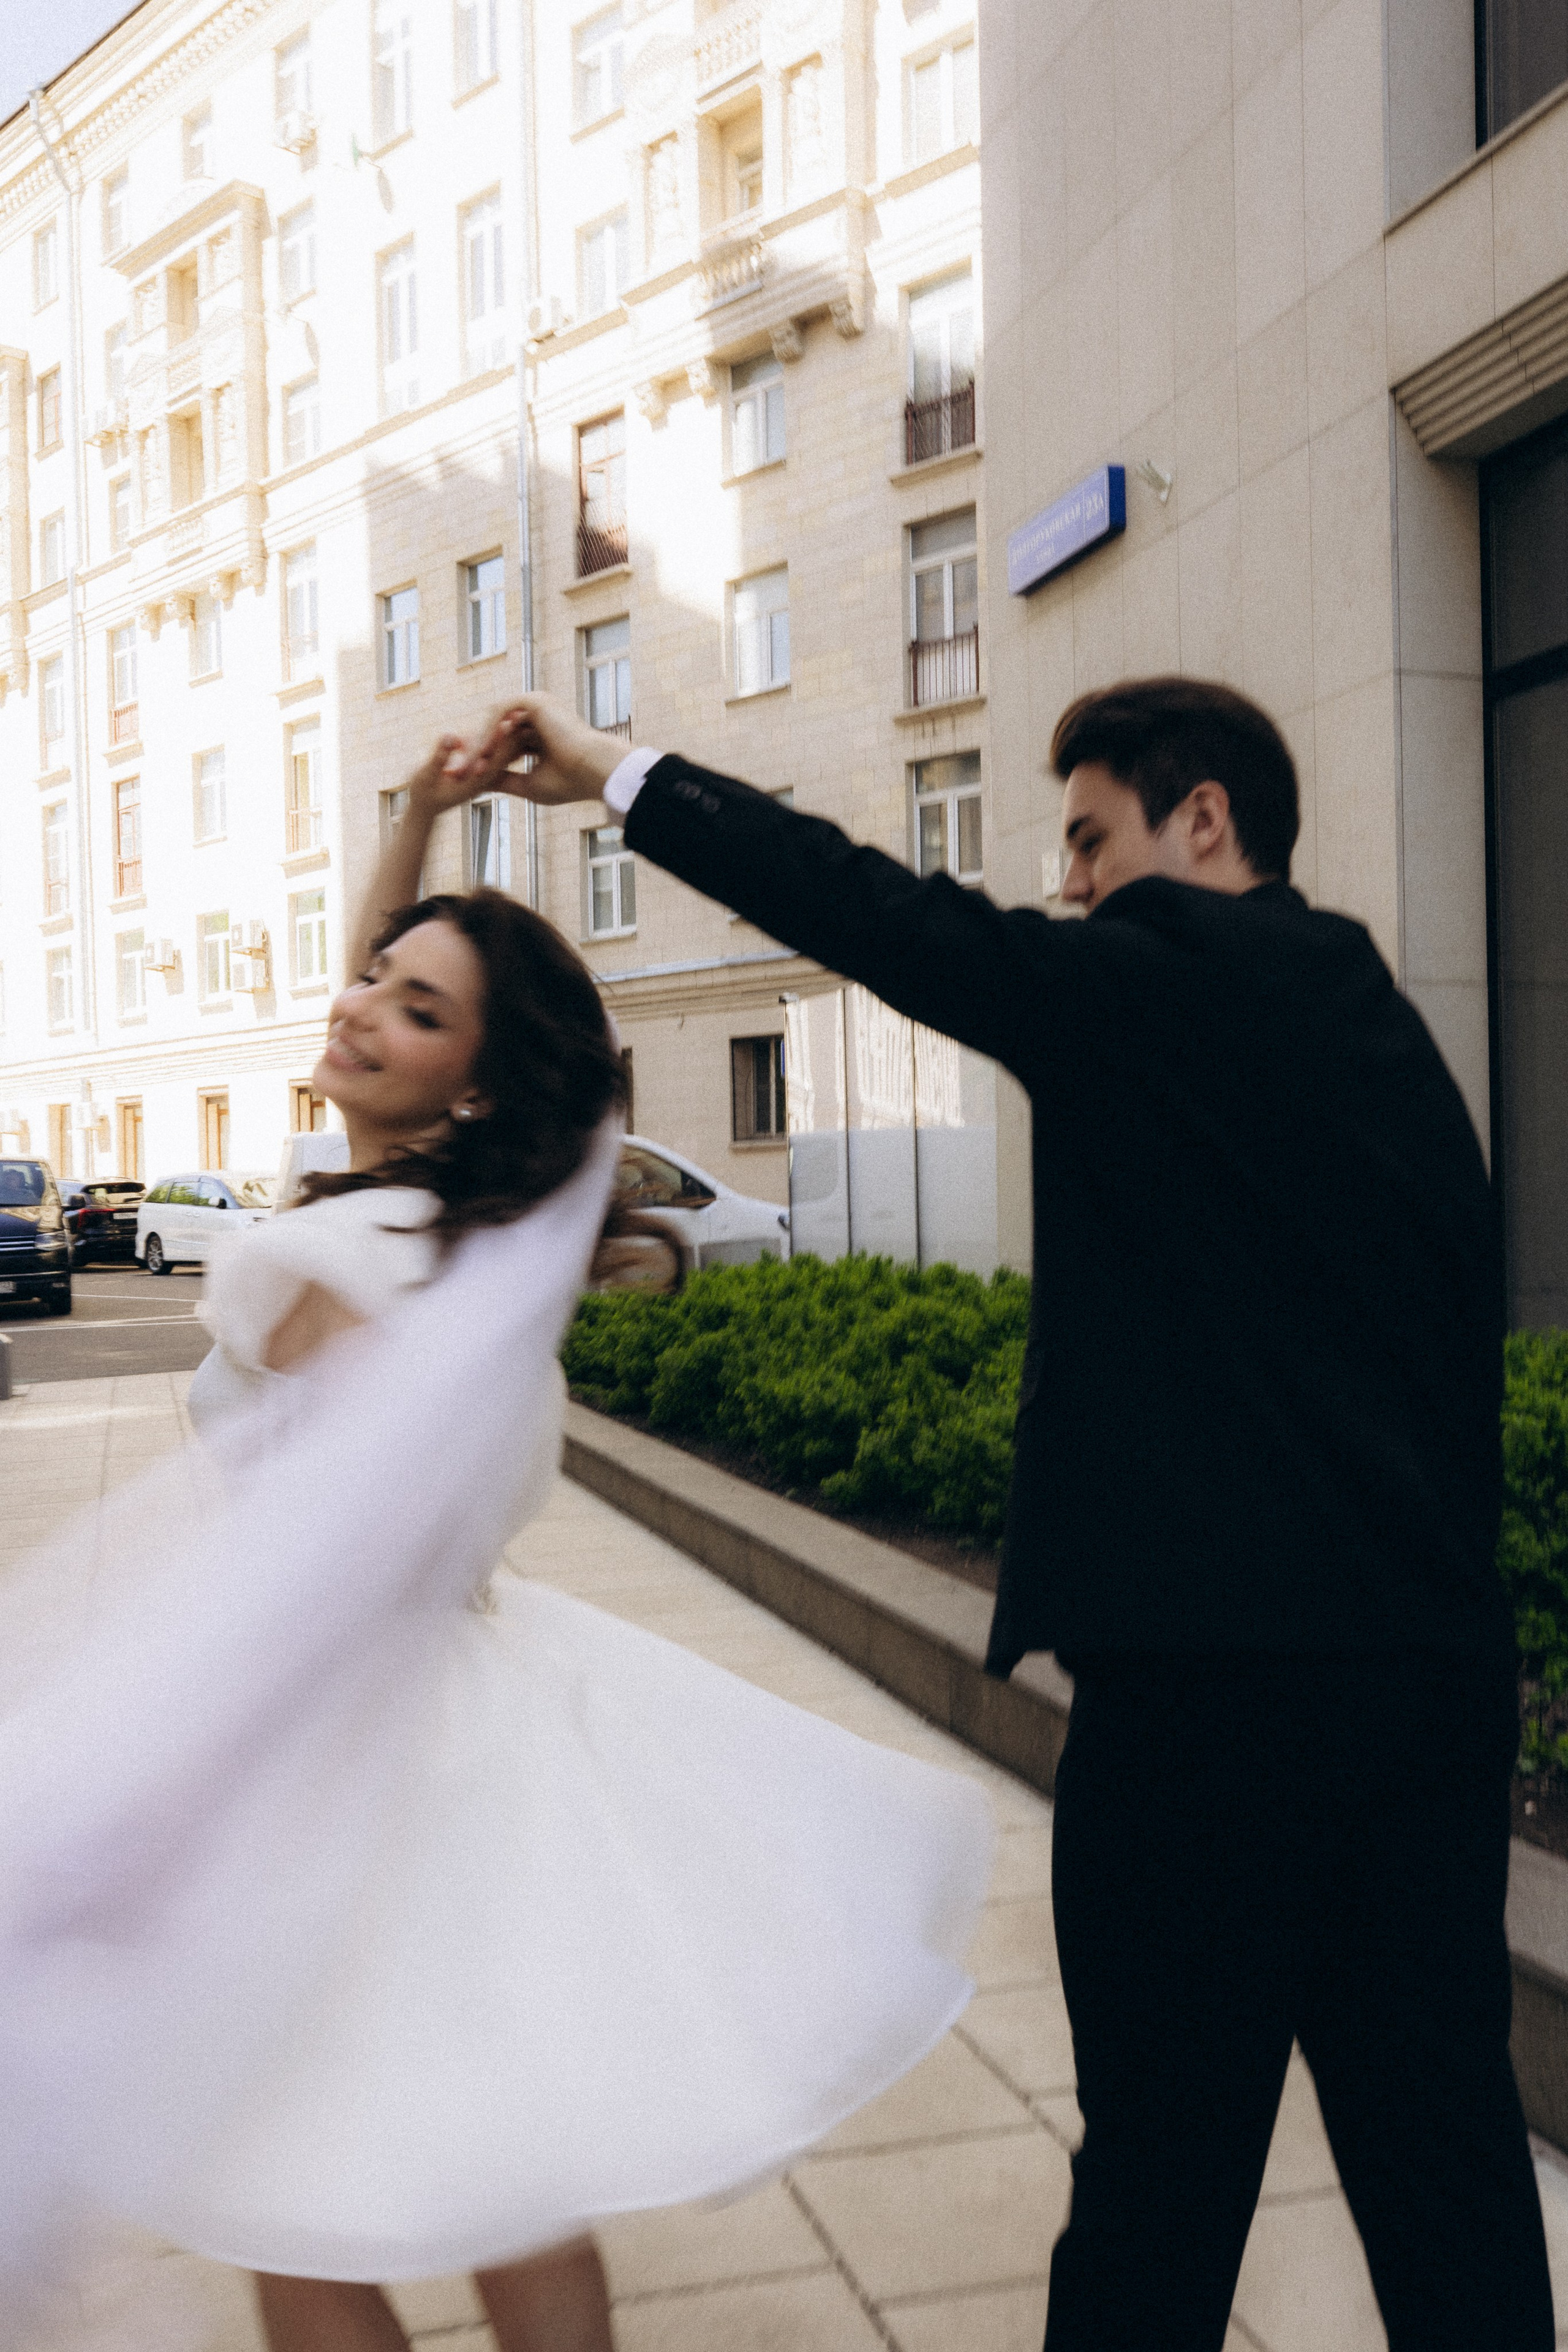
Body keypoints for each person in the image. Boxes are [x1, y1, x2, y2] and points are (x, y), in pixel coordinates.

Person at [494, 678, 1556, 2352]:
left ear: (1202, 821)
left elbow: (879, 910)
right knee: (1446, 2164)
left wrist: (620, 775)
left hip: (1209, 1715)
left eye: (1085, 838)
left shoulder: (1161, 985)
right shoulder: (1377, 1022)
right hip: (1422, 1694)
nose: (1065, 885)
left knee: (1160, 2182)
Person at [0, 732, 992, 2352]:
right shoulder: (451, 1233)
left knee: (298, 2208)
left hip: (350, 1742)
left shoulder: (324, 1255)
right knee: (506, 2180)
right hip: (479, 1711)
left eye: (410, 1007)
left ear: (465, 1079)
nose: (358, 1003)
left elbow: (311, 1563)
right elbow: (391, 1022)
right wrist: (413, 827)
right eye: (375, 978)